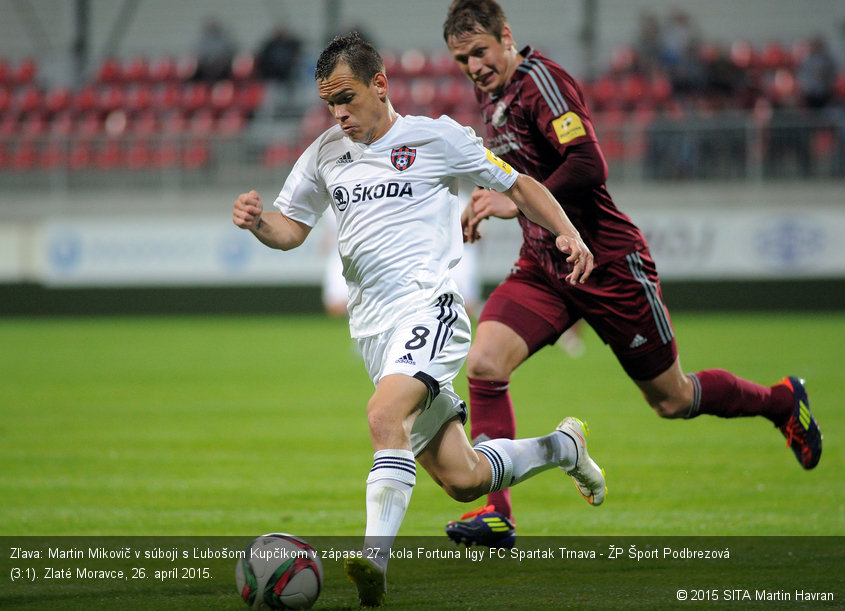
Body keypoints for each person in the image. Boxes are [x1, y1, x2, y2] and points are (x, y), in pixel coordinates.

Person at [232, 33, 605, 607]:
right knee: (464, 478)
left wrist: (568, 234)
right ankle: (563, 448)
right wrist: (260, 223)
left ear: (380, 85)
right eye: (329, 103)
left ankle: (374, 563)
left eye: (347, 99)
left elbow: (520, 184)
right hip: (376, 334)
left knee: (384, 416)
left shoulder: (435, 138)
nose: (338, 114)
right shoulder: (325, 153)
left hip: (430, 309)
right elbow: (293, 228)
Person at [442, 0, 822, 548]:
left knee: (672, 399)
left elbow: (590, 163)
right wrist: (503, 198)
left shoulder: (540, 82)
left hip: (608, 264)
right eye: (462, 59)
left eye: (480, 51)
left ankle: (782, 401)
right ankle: (496, 513)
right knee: (484, 362)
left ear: (506, 36)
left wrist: (515, 200)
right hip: (547, 265)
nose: (474, 66)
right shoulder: (490, 93)